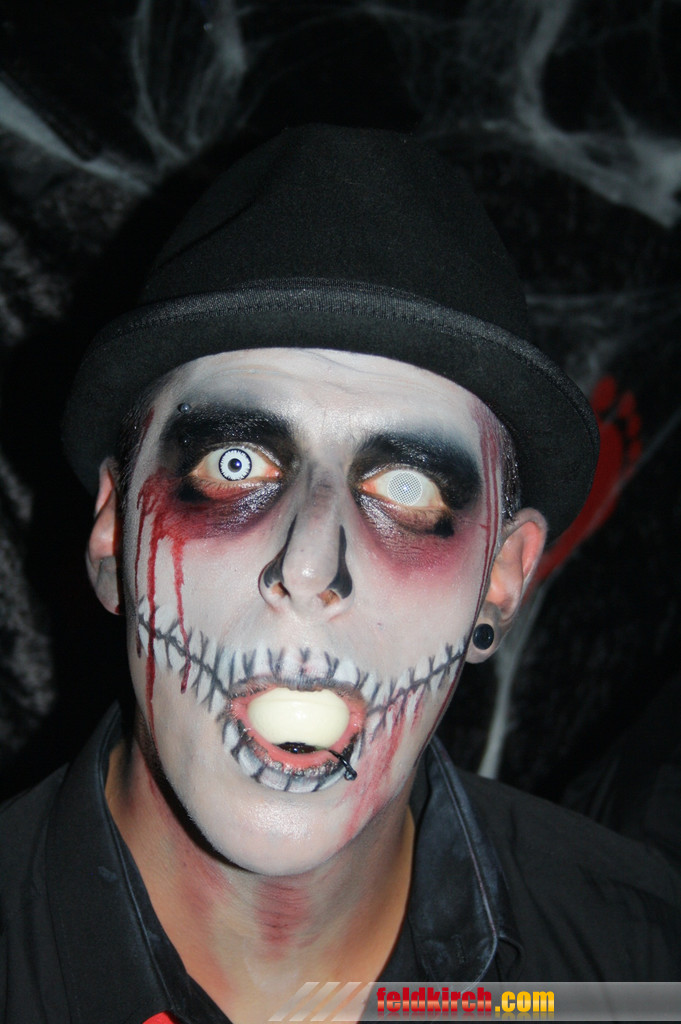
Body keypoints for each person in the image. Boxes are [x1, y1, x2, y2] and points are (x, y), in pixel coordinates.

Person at [1, 125, 679, 1024]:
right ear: (112, 536)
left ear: (500, 581)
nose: (309, 564)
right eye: (235, 464)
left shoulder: (635, 976)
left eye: (407, 487)